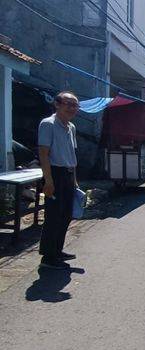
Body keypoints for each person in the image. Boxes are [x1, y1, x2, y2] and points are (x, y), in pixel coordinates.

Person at [37, 92, 80, 270]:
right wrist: (48, 180)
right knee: (53, 216)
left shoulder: (71, 127)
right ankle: (48, 257)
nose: (71, 108)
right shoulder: (48, 124)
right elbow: (43, 154)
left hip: (68, 174)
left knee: (66, 214)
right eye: (68, 104)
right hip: (54, 173)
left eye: (75, 105)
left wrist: (75, 180)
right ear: (57, 104)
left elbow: (72, 154)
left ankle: (57, 250)